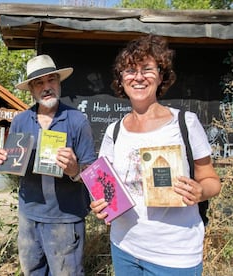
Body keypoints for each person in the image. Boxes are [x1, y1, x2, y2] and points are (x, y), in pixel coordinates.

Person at [90, 34, 221, 276]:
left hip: (175, 255)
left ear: (161, 75)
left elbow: (212, 180)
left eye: (147, 69)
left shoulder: (185, 123)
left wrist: (200, 191)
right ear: (121, 78)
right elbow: (104, 185)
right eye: (130, 70)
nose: (138, 77)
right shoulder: (114, 131)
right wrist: (101, 205)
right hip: (124, 246)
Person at [0, 54, 96, 275]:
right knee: (33, 271)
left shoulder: (77, 120)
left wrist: (75, 170)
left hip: (65, 219)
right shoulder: (20, 121)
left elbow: (92, 174)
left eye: (51, 80)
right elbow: (14, 167)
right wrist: (3, 161)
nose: (46, 87)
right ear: (31, 89)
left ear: (59, 83)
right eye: (39, 82)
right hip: (28, 216)